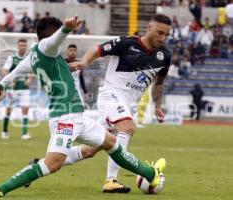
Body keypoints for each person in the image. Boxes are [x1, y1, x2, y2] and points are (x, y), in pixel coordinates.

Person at [0, 16, 166, 198]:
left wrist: (1, 86)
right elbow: (54, 40)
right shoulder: (48, 47)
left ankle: (151, 175)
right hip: (65, 116)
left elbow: (13, 74)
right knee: (53, 164)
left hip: (77, 115)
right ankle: (1, 189)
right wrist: (66, 28)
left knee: (112, 144)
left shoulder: (32, 57)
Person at [69, 13, 171, 193]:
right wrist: (85, 61)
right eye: (160, 32)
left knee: (92, 150)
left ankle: (44, 163)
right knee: (127, 127)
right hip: (111, 95)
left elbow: (160, 82)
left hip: (127, 105)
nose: (162, 38)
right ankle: (111, 180)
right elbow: (97, 50)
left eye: (166, 35)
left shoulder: (164, 56)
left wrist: (157, 106)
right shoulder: (126, 43)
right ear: (149, 27)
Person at [1, 38, 33, 140]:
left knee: (25, 109)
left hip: (24, 88)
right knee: (9, 109)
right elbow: (4, 70)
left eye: (24, 45)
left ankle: (24, 133)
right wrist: (10, 79)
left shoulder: (29, 58)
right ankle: (5, 131)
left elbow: (35, 69)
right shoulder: (12, 58)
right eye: (21, 45)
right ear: (17, 46)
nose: (23, 47)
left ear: (26, 46)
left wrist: (30, 78)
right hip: (13, 89)